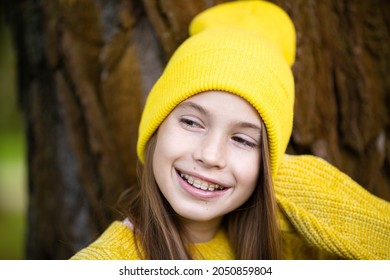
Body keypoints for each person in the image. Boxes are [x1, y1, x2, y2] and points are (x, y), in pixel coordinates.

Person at [71, 0, 390, 260]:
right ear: (156, 127)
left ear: (268, 162)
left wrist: (307, 188)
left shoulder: (286, 245)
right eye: (191, 122)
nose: (210, 156)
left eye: (242, 139)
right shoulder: (111, 260)